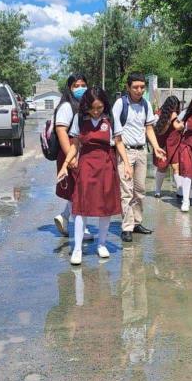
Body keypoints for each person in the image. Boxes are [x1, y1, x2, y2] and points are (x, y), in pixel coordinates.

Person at [57, 87, 133, 265]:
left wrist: (127, 164)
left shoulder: (110, 119)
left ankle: (101, 244)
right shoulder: (79, 119)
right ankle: (77, 249)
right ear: (86, 107)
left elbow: (119, 143)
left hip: (106, 165)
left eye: (100, 107)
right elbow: (75, 145)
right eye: (93, 108)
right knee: (80, 207)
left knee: (105, 207)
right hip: (86, 166)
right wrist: (65, 165)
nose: (97, 111)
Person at [112, 73, 166, 242]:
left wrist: (156, 148)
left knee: (140, 190)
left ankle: (137, 222)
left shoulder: (146, 104)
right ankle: (127, 227)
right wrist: (125, 161)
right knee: (126, 190)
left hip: (142, 151)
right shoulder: (120, 104)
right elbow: (117, 135)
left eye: (142, 87)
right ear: (128, 87)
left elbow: (149, 128)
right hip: (125, 151)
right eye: (135, 87)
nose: (139, 90)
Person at [53, 74, 92, 241]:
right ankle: (80, 228)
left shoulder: (83, 105)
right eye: (76, 85)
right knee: (78, 190)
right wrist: (71, 156)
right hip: (70, 151)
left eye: (83, 84)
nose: (80, 88)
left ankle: (65, 217)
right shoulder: (67, 106)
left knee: (79, 189)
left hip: (79, 152)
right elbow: (61, 131)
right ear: (69, 88)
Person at [153, 96, 182, 198]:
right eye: (173, 107)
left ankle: (180, 191)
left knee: (176, 166)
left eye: (176, 107)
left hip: (175, 143)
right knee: (162, 167)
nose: (175, 109)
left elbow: (180, 127)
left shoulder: (179, 115)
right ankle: (157, 190)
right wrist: (170, 120)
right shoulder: (158, 115)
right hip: (163, 144)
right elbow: (159, 131)